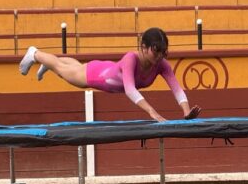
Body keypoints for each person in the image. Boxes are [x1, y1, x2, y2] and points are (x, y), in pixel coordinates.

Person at [19, 27, 200, 122]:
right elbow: (130, 90)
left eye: (162, 51)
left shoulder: (162, 65)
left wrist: (186, 111)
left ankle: (49, 63)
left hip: (105, 68)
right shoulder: (131, 59)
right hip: (96, 76)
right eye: (156, 51)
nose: (160, 56)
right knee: (62, 69)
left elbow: (177, 89)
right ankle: (35, 53)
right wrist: (153, 112)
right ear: (143, 47)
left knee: (72, 67)